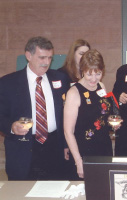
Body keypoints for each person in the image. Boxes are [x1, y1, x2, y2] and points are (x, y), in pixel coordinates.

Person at [0, 36, 69, 180]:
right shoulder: (7, 83)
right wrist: (12, 127)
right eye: (42, 57)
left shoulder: (60, 79)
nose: (46, 63)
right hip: (23, 148)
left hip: (53, 146)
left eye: (50, 58)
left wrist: (65, 145)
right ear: (28, 56)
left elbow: (65, 116)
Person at [64, 49, 116, 179]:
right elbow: (68, 131)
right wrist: (78, 161)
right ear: (82, 71)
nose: (94, 79)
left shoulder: (101, 86)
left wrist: (111, 122)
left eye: (98, 74)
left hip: (104, 147)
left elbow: (102, 113)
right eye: (89, 74)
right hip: (83, 150)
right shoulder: (74, 93)